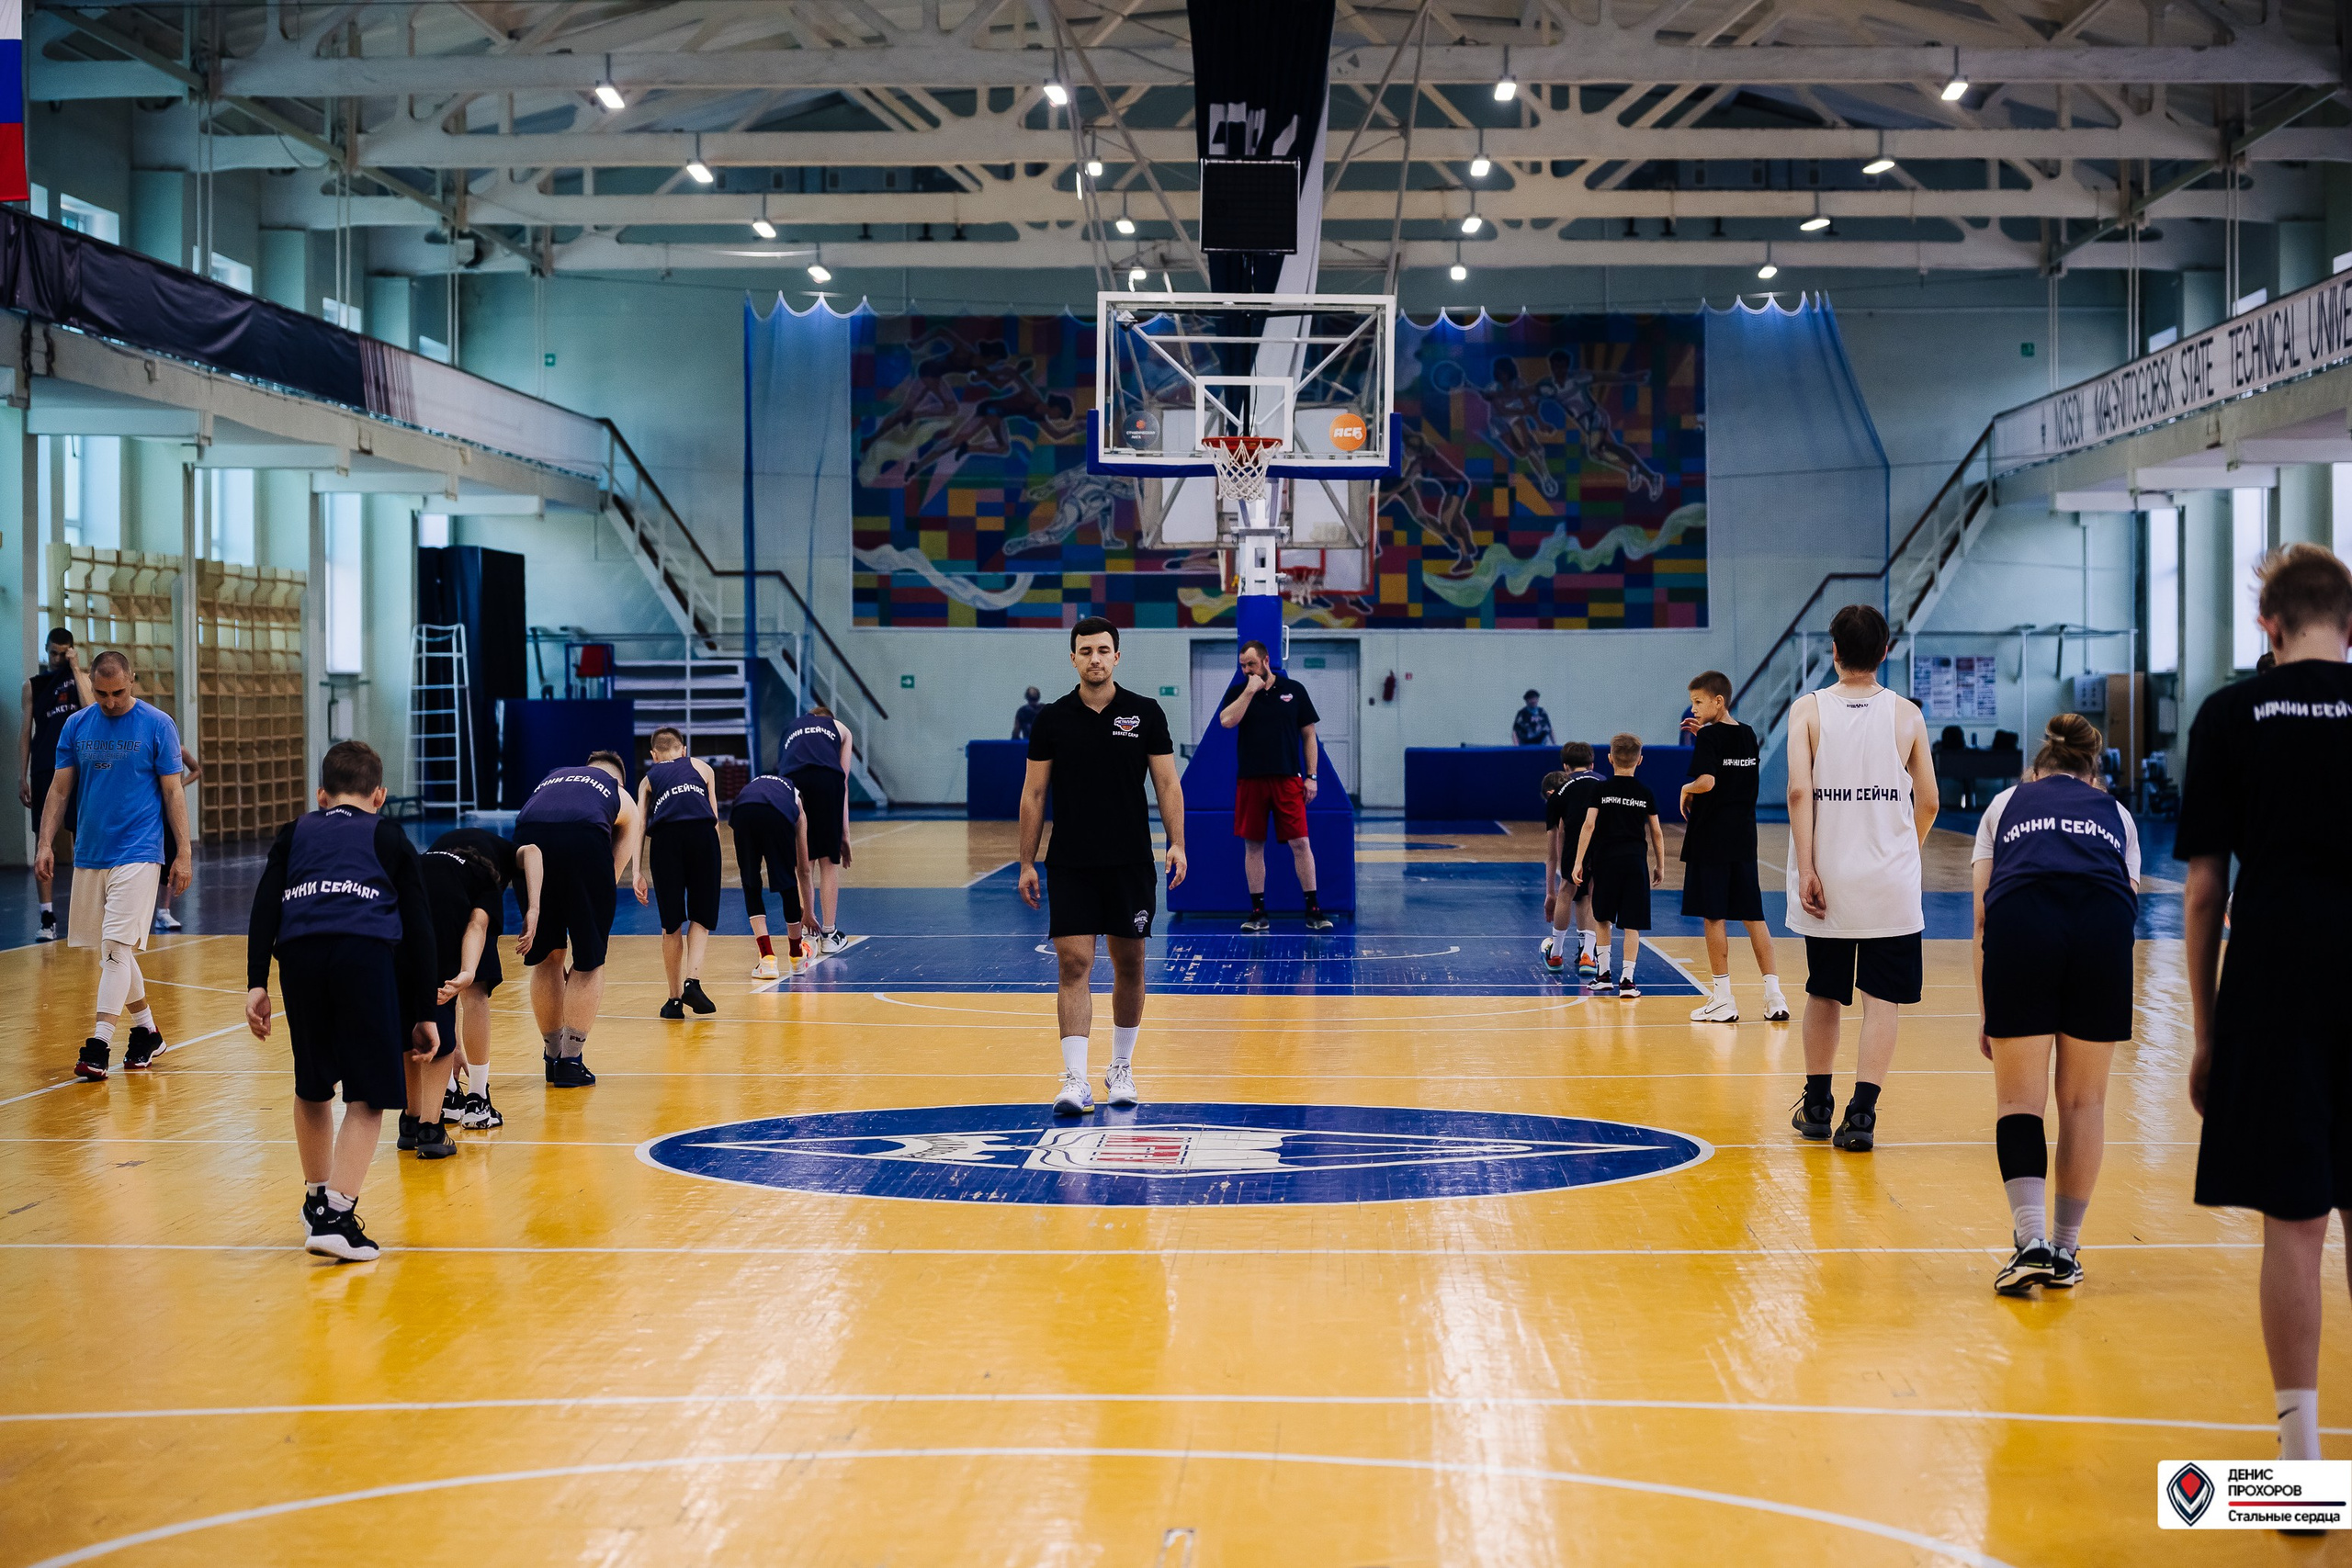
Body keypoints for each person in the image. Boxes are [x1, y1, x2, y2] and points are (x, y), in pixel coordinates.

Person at [2178, 542, 2352, 1473]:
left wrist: (2204, 1034)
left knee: (2293, 1223)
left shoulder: (2230, 715)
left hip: (2276, 976)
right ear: (2351, 624)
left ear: (2267, 625)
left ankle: (2301, 1463)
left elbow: (2204, 890)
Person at [243, 741, 440, 1261]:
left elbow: (266, 904)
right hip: (361, 955)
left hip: (300, 957)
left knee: (312, 1084)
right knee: (369, 1094)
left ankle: (315, 1198)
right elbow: (420, 928)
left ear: (321, 794)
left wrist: (256, 981)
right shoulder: (389, 835)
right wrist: (424, 1010)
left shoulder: (296, 831)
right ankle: (338, 1213)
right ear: (380, 795)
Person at [1973, 713, 2139, 1297]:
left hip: (2025, 925)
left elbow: (1983, 916)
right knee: (2085, 1102)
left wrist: (1989, 1010)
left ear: (2037, 767)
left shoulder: (2003, 805)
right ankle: (2067, 1249)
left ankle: (2032, 1240)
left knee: (2020, 1098)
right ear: (2094, 774)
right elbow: (2127, 899)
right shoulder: (2117, 814)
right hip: (2104, 930)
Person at [1785, 604, 1939, 1153]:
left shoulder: (1807, 711)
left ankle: (1818, 1104)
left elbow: (1799, 793)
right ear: (1885, 651)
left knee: (1823, 994)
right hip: (1890, 885)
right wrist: (1904, 853)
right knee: (1882, 1002)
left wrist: (1808, 867)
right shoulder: (1908, 715)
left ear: (1833, 651)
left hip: (1827, 879)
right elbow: (1930, 802)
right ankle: (1862, 1116)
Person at [1019, 615, 1187, 1116]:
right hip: (1070, 861)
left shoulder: (1145, 713)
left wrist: (1177, 843)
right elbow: (1033, 793)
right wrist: (1026, 861)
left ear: (1117, 656)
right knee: (1074, 964)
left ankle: (1121, 1068)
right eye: (1085, 650)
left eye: (1103, 650)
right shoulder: (1052, 719)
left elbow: (1167, 784)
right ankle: (1074, 1078)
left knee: (1129, 964)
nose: (1095, 658)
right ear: (1072, 658)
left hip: (1129, 861)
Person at [36, 652, 191, 1081]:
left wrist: (184, 852)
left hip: (140, 851)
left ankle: (99, 1043)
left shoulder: (157, 724)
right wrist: (44, 843)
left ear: (133, 682)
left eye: (119, 692)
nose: (110, 701)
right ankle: (146, 1033)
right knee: (111, 951)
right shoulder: (77, 725)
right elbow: (60, 788)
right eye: (102, 694)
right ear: (92, 685)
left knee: (116, 948)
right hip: (91, 852)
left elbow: (174, 792)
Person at [514, 750, 642, 1088]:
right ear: (619, 779)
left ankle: (551, 1057)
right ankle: (571, 1062)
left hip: (527, 838)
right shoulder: (619, 792)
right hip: (583, 839)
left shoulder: (554, 775)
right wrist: (592, 919)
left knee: (546, 956)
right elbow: (613, 870)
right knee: (588, 962)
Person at [1679, 671, 1789, 1024]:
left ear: (1718, 701)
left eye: (1698, 702)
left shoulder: (1709, 737)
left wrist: (1686, 788)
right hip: (1743, 837)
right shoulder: (1747, 734)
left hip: (1711, 838)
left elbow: (1708, 781)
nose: (1693, 708)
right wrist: (1706, 737)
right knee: (1754, 917)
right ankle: (1775, 996)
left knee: (1714, 916)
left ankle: (1723, 998)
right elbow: (1730, 767)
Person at [427, 823, 541, 1129]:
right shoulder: (491, 872)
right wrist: (533, 908)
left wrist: (457, 1049)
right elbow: (532, 852)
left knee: (438, 990)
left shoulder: (445, 851)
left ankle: (445, 1098)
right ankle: (477, 1100)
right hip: (461, 884)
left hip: (415, 884)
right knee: (474, 991)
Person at [1217, 639, 1331, 934]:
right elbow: (1226, 721)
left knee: (1301, 843)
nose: (1246, 670)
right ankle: (1258, 912)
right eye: (1242, 666)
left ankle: (1313, 909)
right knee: (1253, 846)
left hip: (1287, 779)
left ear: (1266, 661)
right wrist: (1250, 690)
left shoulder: (1294, 690)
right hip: (1251, 780)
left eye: (1251, 665)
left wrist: (1312, 776)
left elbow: (1309, 736)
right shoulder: (1240, 691)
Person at [405, 841, 500, 1160]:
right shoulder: (485, 879)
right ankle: (431, 1128)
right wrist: (468, 972)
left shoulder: (418, 859)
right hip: (442, 919)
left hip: (396, 907)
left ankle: (410, 1120)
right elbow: (476, 925)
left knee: (409, 1018)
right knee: (437, 1017)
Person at [631, 727, 721, 1020]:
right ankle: (692, 982)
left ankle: (673, 1001)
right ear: (684, 750)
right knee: (701, 916)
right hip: (702, 837)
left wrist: (636, 871)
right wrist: (714, 856)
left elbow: (640, 825)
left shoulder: (649, 778)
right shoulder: (703, 768)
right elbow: (714, 817)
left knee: (671, 924)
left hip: (666, 842)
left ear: (654, 755)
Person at [1568, 732, 1664, 998]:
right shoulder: (1645, 792)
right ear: (1640, 760)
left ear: (1609, 759)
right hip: (1635, 862)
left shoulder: (1600, 789)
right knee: (1632, 923)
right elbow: (1656, 832)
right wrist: (1660, 864)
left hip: (1605, 862)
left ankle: (1604, 975)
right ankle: (1628, 981)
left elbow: (1589, 825)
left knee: (1603, 918)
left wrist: (1578, 862)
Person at [19, 628, 91, 942]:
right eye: (53, 653)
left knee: (82, 836)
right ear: (46, 651)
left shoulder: (81, 679)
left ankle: (86, 910)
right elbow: (25, 733)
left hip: (79, 766)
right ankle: (47, 915)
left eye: (64, 653)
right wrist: (22, 774)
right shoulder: (33, 686)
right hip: (46, 767)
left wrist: (75, 668)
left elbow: (91, 708)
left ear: (72, 652)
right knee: (43, 838)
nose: (58, 658)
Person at [778, 704, 855, 953]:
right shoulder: (840, 728)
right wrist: (844, 835)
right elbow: (842, 782)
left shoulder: (790, 727)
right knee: (828, 862)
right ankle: (829, 934)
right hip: (826, 782)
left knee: (803, 860)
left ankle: (806, 932)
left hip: (792, 784)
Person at [732, 771, 815, 980]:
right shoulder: (796, 803)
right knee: (786, 880)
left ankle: (767, 959)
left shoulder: (756, 784)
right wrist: (809, 912)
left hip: (742, 811)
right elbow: (804, 869)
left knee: (751, 882)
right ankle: (797, 957)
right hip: (775, 814)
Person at [1543, 740, 1602, 979]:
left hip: (1573, 846)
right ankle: (1588, 954)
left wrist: (1550, 893)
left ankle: (1556, 953)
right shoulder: (1603, 783)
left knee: (1567, 891)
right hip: (1603, 845)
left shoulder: (1561, 791)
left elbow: (1551, 852)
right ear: (1592, 763)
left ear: (1566, 766)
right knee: (1591, 893)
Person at [151, 739, 202, 933]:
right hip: (150, 809)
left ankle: (164, 911)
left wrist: (180, 785)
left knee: (169, 859)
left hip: (169, 812)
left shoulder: (179, 750)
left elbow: (197, 770)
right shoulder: (148, 747)